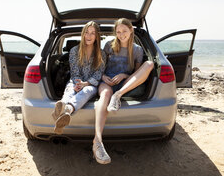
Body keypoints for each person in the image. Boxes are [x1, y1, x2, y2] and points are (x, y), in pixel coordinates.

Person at [93, 18, 154, 164]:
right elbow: (99, 65)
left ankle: (118, 96)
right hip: (106, 82)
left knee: (150, 63)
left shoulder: (138, 50)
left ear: (131, 30)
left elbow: (136, 73)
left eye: (124, 31)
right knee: (105, 95)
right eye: (118, 32)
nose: (121, 34)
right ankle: (97, 142)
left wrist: (123, 75)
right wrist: (103, 76)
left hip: (125, 84)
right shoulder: (109, 46)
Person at [52, 21, 106, 135]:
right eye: (86, 32)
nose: (89, 36)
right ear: (83, 34)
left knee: (86, 91)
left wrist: (85, 84)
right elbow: (74, 71)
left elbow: (98, 73)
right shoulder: (74, 51)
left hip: (91, 85)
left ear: (97, 36)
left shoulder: (102, 53)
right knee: (70, 89)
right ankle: (62, 106)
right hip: (75, 81)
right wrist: (78, 83)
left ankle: (66, 110)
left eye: (92, 33)